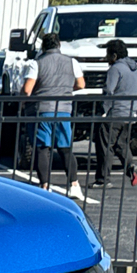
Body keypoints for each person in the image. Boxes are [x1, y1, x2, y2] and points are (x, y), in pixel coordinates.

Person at [21, 31, 86, 202]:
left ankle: (45, 186)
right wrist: (66, 91)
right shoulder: (72, 62)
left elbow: (27, 89)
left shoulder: (37, 63)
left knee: (43, 148)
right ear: (59, 45)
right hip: (64, 110)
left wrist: (22, 100)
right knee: (65, 148)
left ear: (43, 46)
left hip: (42, 109)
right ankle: (74, 184)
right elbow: (81, 84)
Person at [93, 38, 137, 187]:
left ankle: (103, 179)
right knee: (121, 145)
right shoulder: (135, 69)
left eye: (108, 54)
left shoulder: (115, 69)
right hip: (130, 113)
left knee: (105, 145)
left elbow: (109, 91)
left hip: (115, 113)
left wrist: (104, 110)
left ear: (114, 56)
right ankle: (131, 168)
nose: (106, 58)